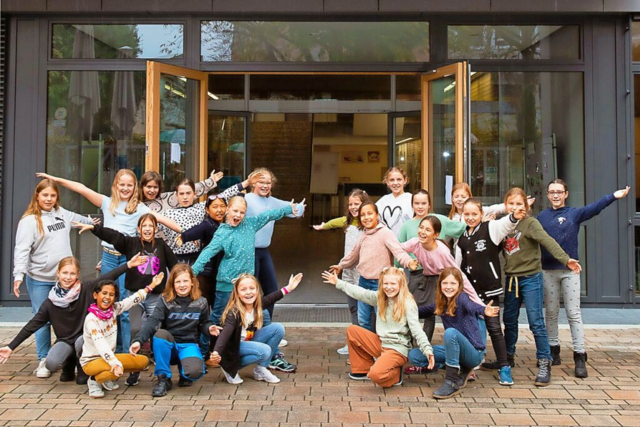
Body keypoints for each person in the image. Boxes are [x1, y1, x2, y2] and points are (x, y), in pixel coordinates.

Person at [36, 170, 181, 353]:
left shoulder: (140, 208)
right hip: (108, 258)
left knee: (126, 308)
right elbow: (81, 188)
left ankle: (126, 352)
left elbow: (165, 221)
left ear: (135, 187)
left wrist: (186, 234)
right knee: (105, 303)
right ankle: (107, 349)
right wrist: (56, 178)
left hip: (128, 260)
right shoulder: (106, 203)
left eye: (130, 185)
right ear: (116, 185)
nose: (125, 188)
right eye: (122, 184)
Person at [0, 255, 145, 384]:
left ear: (77, 275)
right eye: (64, 273)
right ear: (58, 273)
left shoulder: (86, 289)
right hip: (64, 340)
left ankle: (81, 366)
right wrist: (11, 347)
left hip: (83, 339)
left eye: (72, 273)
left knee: (81, 363)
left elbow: (107, 277)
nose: (68, 277)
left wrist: (128, 265)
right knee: (51, 363)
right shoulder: (50, 303)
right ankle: (68, 364)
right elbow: (32, 325)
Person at [538, 180, 630, 378]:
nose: (555, 195)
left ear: (566, 194)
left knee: (573, 313)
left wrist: (613, 196)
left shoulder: (574, 213)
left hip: (570, 271)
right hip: (548, 271)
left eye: (559, 192)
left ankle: (580, 356)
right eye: (552, 192)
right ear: (547, 195)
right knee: (551, 313)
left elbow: (595, 208)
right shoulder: (542, 217)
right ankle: (553, 350)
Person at [73, 213, 178, 386]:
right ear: (138, 229)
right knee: (135, 329)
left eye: (151, 226)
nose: (147, 229)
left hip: (155, 297)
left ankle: (161, 374)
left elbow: (174, 266)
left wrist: (179, 284)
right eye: (144, 226)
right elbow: (114, 236)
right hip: (134, 296)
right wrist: (95, 228)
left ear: (156, 229)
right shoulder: (131, 244)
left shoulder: (161, 245)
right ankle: (134, 371)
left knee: (156, 333)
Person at [498, 187, 581, 387]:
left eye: (519, 204)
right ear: (505, 205)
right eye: (511, 203)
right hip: (511, 279)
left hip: (530, 278)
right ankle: (507, 358)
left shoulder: (531, 223)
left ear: (526, 207)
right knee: (509, 320)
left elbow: (548, 242)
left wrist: (565, 259)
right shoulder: (502, 225)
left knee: (536, 321)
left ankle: (545, 361)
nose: (515, 207)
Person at [12, 178, 94, 378]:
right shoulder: (29, 221)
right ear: (37, 196)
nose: (49, 199)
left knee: (72, 318)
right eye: (45, 195)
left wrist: (94, 223)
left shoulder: (62, 214)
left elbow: (80, 220)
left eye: (52, 195)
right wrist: (18, 275)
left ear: (57, 197)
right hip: (40, 279)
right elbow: (21, 249)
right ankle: (43, 359)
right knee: (42, 320)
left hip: (65, 280)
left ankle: (73, 357)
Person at [321, 267, 434, 388]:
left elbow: (417, 330)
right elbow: (360, 293)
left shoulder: (408, 303)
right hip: (381, 343)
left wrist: (427, 351)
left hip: (397, 349)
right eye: (385, 283)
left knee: (375, 375)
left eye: (393, 283)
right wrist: (338, 283)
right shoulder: (380, 297)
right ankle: (362, 369)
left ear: (401, 284)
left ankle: (396, 375)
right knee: (353, 331)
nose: (388, 287)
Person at [456, 198, 526, 386]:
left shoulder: (490, 229)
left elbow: (505, 224)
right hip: (470, 292)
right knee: (468, 328)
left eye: (474, 214)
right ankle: (469, 366)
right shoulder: (461, 236)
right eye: (467, 214)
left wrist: (513, 216)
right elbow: (458, 264)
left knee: (494, 328)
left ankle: (504, 367)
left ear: (481, 214)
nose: (470, 218)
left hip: (489, 290)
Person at [129, 264, 220, 397]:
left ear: (192, 282)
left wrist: (209, 328)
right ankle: (163, 379)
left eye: (185, 281)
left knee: (194, 373)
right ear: (172, 284)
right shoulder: (165, 301)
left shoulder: (201, 302)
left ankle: (184, 371)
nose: (182, 285)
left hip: (188, 344)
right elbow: (152, 321)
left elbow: (204, 323)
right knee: (160, 335)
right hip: (169, 345)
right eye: (178, 282)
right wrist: (138, 340)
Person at [409, 267, 500, 399]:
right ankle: (462, 368)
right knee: (414, 355)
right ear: (440, 284)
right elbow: (419, 311)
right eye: (445, 283)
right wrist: (402, 309)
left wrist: (484, 310)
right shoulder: (440, 303)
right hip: (455, 350)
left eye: (453, 283)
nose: (448, 287)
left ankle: (451, 381)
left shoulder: (462, 298)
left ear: (459, 285)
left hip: (473, 353)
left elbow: (471, 306)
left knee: (451, 333)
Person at [330, 202, 418, 332]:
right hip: (363, 282)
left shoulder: (385, 233)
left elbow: (398, 251)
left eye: (370, 213)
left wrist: (409, 262)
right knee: (363, 319)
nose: (366, 217)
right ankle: (368, 348)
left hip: (381, 284)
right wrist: (340, 265)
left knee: (382, 319)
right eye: (362, 215)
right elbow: (353, 255)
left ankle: (382, 349)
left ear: (377, 215)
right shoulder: (363, 234)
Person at [399, 216, 484, 345]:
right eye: (421, 227)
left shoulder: (442, 252)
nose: (422, 232)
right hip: (426, 278)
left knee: (439, 312)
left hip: (442, 282)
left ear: (436, 234)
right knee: (412, 309)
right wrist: (408, 261)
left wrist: (477, 301)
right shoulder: (415, 242)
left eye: (428, 230)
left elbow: (459, 275)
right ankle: (408, 342)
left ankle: (469, 344)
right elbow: (397, 248)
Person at [80, 273, 164, 398]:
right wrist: (115, 363)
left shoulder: (114, 309)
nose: (107, 297)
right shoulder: (91, 319)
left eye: (111, 294)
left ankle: (107, 374)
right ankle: (94, 380)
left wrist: (151, 286)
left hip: (108, 358)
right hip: (91, 361)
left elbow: (132, 300)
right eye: (104, 293)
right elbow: (100, 344)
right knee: (115, 372)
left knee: (142, 361)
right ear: (95, 295)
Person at [211, 272, 303, 384]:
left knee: (278, 328)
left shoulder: (257, 305)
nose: (248, 292)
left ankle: (261, 369)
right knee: (264, 351)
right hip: (233, 347)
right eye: (243, 289)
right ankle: (230, 368)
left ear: (257, 290)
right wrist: (216, 352)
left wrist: (289, 288)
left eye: (252, 288)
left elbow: (272, 297)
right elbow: (225, 334)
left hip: (247, 341)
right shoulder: (234, 313)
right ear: (237, 293)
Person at [313, 188, 370, 355]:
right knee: (353, 307)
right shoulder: (347, 221)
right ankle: (354, 341)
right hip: (348, 270)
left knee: (366, 308)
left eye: (357, 204)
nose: (353, 207)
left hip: (365, 271)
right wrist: (324, 226)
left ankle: (367, 341)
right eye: (350, 204)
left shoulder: (371, 224)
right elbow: (336, 222)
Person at [245, 167, 306, 318]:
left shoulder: (272, 201)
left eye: (268, 182)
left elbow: (294, 210)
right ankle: (249, 328)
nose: (265, 185)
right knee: (250, 290)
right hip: (247, 252)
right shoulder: (245, 199)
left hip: (263, 252)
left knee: (272, 289)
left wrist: (300, 207)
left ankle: (266, 325)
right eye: (261, 182)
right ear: (253, 183)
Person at [165, 174, 263, 264]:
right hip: (175, 258)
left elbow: (224, 195)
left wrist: (245, 183)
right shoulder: (168, 213)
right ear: (176, 195)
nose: (185, 197)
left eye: (188, 193)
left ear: (195, 194)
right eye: (181, 194)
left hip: (197, 257)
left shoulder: (201, 208)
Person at [139, 169, 223, 213]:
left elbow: (188, 190)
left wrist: (210, 181)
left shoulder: (166, 198)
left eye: (155, 187)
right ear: (142, 187)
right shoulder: (136, 202)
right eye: (149, 187)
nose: (152, 190)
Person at [375, 167, 413, 237]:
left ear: (405, 180)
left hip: (407, 242)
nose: (395, 183)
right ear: (387, 182)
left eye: (399, 179)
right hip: (386, 242)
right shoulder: (383, 201)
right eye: (392, 180)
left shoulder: (412, 199)